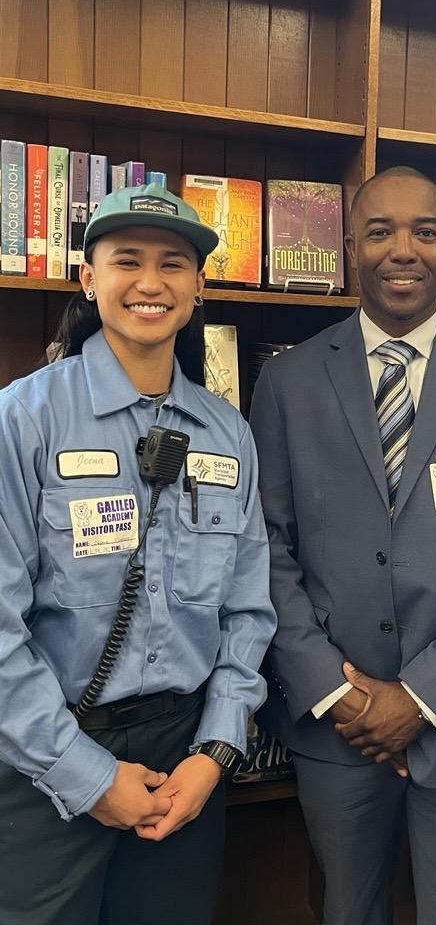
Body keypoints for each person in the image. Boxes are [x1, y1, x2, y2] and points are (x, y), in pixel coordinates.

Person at [250, 166, 436, 925]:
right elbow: (265, 551)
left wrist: (420, 698)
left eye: (424, 231)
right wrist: (339, 692)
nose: (402, 250)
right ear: (351, 245)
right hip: (336, 726)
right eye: (380, 231)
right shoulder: (285, 385)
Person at [0, 183, 276, 925]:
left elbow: (249, 612)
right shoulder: (22, 418)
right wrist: (87, 776)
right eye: (127, 261)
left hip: (184, 761)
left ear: (197, 288)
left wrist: (214, 751)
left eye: (174, 265)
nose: (151, 283)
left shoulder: (228, 434)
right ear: (89, 278)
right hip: (45, 757)